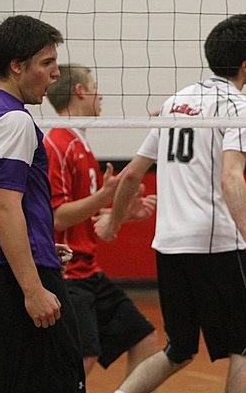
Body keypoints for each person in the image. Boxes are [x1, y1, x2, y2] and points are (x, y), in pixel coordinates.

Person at [96, 14, 246, 393]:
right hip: (214, 244)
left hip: (169, 244)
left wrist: (114, 223)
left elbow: (131, 175)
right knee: (245, 348)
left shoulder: (174, 102)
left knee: (178, 349)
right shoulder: (238, 107)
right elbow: (231, 177)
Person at [0, 15, 86, 391]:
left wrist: (38, 239)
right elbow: (5, 207)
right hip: (13, 279)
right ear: (17, 65)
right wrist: (32, 287)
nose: (56, 74)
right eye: (47, 63)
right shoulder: (13, 119)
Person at [44, 63, 159, 384]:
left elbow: (84, 219)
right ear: (80, 91)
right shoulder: (57, 144)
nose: (101, 94)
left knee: (144, 338)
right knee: (83, 356)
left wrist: (121, 213)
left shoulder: (79, 143)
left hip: (89, 270)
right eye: (94, 86)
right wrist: (106, 195)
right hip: (67, 273)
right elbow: (58, 216)